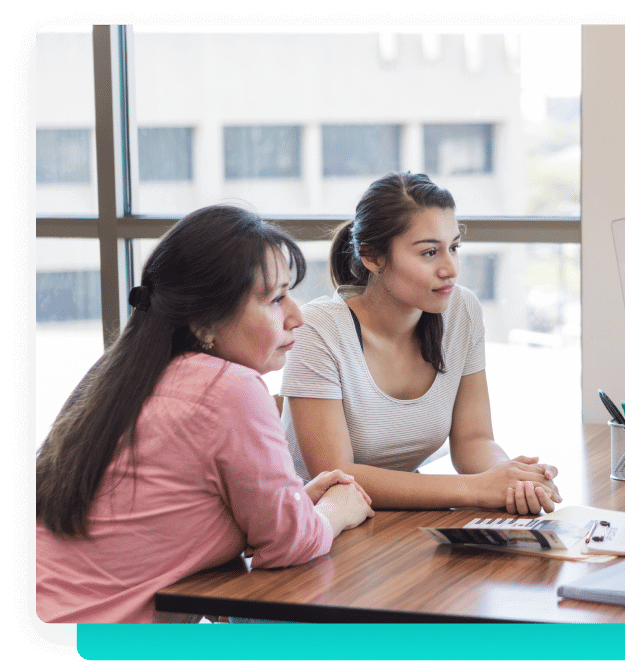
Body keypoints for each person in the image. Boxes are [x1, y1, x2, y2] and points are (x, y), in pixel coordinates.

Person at [36, 205, 375, 623]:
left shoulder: (118, 372)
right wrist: (338, 509)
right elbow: (291, 545)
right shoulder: (230, 387)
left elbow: (163, 521)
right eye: (275, 299)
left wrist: (295, 505)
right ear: (203, 323)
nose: (296, 316)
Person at [282, 172, 562, 514]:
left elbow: (473, 441)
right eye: (430, 252)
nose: (451, 268)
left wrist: (512, 480)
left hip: (397, 524)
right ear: (372, 257)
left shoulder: (463, 311)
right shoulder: (319, 330)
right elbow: (336, 477)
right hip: (315, 531)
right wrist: (476, 488)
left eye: (454, 247)